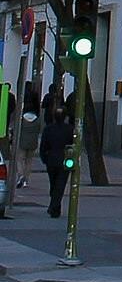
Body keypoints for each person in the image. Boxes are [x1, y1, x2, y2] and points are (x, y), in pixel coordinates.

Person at [39, 90, 74, 219]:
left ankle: (54, 206)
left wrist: (45, 158)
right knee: (60, 185)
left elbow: (43, 146)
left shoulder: (49, 129)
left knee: (54, 184)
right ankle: (55, 206)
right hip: (64, 160)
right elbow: (73, 145)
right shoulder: (70, 130)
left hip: (51, 160)